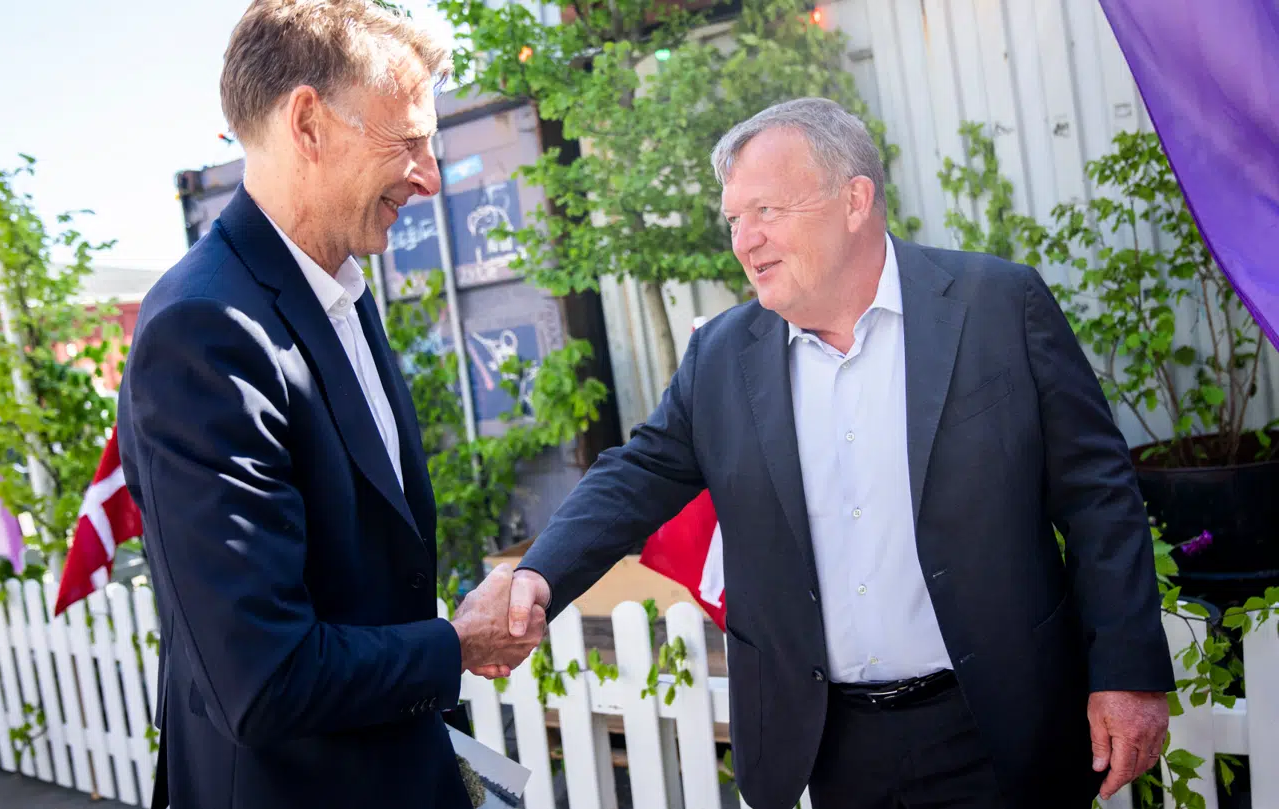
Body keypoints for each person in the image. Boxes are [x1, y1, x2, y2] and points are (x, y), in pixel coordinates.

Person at [501, 98, 1175, 809]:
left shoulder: (999, 306)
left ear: (855, 200)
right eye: (734, 219)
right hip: (832, 745)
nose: (744, 241)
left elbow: (1099, 494)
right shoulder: (722, 358)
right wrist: (538, 576)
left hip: (1001, 725)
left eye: (766, 211)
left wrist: (1128, 671)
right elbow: (634, 476)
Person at [116, 2, 544, 807]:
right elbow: (263, 676)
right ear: (308, 123)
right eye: (409, 140)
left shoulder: (337, 293)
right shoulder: (205, 332)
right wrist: (455, 643)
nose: (429, 176)